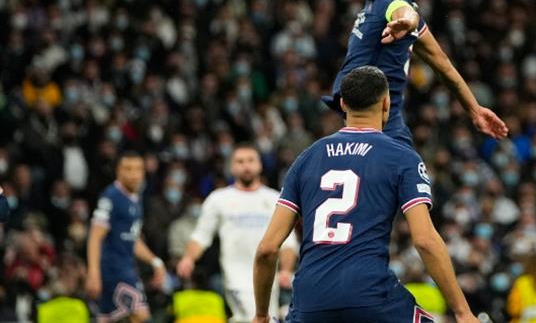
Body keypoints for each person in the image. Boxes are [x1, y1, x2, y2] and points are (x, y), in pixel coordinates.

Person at [253, 66, 478, 323]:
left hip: (310, 299)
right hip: (370, 293)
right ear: (386, 103)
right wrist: (463, 312)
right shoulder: (402, 157)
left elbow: (267, 248)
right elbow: (425, 240)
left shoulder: (306, 158)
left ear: (342, 104)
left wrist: (261, 315)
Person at [322, 0, 507, 147]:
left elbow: (404, 12)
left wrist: (407, 21)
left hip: (382, 133)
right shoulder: (374, 4)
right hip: (370, 129)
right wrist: (474, 110)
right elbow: (442, 63)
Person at [175, 145, 298, 322]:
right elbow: (201, 236)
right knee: (252, 317)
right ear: (231, 167)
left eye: (250, 160)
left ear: (260, 165)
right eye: (240, 161)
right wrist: (188, 258)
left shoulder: (275, 199)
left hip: (268, 278)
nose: (246, 166)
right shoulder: (218, 199)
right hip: (236, 277)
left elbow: (288, 242)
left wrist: (286, 269)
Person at [86, 152, 167, 322]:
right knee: (141, 315)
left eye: (138, 169)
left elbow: (132, 238)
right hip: (113, 269)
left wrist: (155, 261)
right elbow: (95, 236)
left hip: (126, 268)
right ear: (118, 171)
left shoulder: (135, 198)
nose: (133, 174)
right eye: (128, 169)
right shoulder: (111, 197)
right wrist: (93, 272)